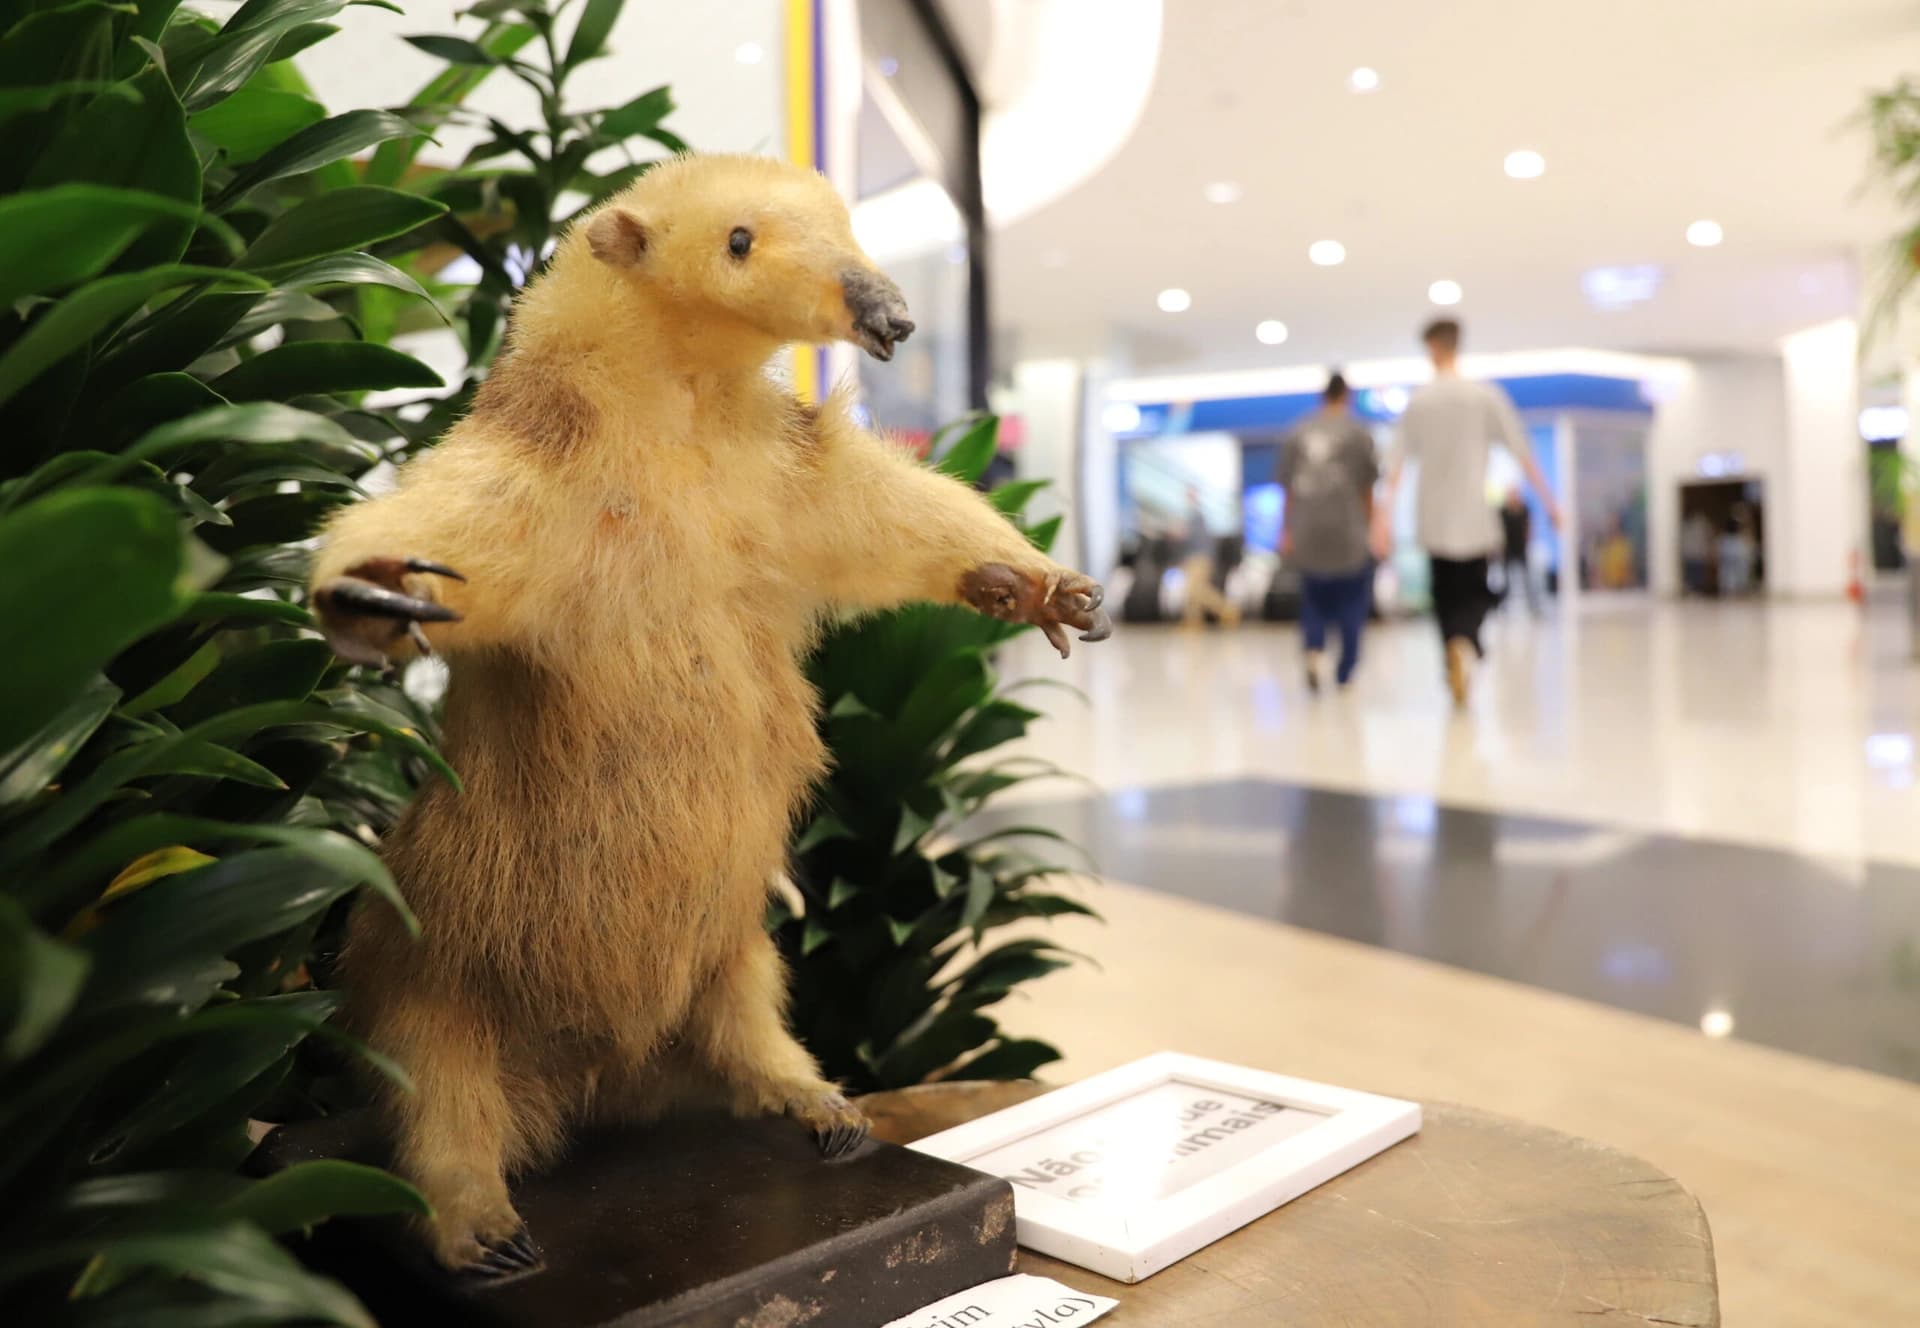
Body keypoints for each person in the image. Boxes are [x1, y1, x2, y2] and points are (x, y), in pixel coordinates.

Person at [1377, 318, 1560, 706]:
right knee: (1474, 592)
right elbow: (1521, 451)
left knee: (1444, 594)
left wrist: (1383, 518)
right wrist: (1550, 503)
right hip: (1474, 516)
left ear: (1433, 348)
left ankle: (1454, 649)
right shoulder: (1484, 396)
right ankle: (1468, 645)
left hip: (1434, 517)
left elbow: (1395, 465)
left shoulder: (1420, 400)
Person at [1279, 372, 1378, 691]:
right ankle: (1345, 670)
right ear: (1346, 396)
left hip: (1308, 531)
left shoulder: (1298, 431)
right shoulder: (1359, 432)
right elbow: (1367, 488)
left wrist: (1286, 530)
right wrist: (1372, 527)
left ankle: (1313, 649)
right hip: (1348, 532)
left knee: (1313, 601)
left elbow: (1288, 490)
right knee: (1351, 603)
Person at [1179, 485, 1241, 627]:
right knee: (1191, 591)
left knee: (1197, 589)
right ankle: (1193, 621)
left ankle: (1228, 609)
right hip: (1195, 558)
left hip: (1199, 558)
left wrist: (1182, 533)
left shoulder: (1197, 517)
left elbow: (1195, 539)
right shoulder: (1193, 516)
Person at [1498, 488, 1539, 616]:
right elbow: (1499, 530)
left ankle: (1533, 606)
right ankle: (1503, 607)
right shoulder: (1503, 512)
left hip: (1521, 548)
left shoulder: (1524, 509)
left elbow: (1529, 527)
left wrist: (1529, 536)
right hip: (1508, 549)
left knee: (1528, 578)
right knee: (1506, 581)